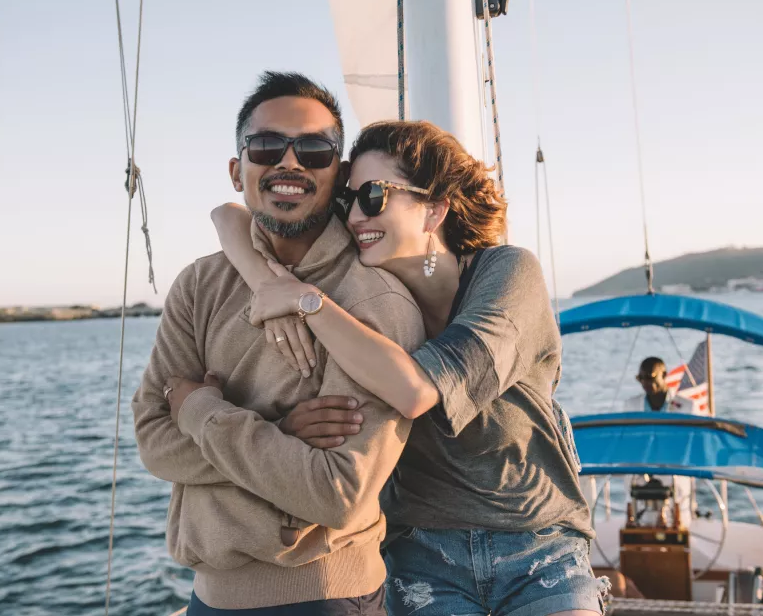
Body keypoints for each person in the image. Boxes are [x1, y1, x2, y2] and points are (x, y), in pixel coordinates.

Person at [211, 120, 602, 616]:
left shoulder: (507, 273)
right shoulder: (376, 301)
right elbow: (228, 215)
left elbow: (417, 389)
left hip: (537, 544)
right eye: (346, 201)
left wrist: (305, 300)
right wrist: (262, 279)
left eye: (373, 196)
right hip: (422, 552)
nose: (353, 217)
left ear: (434, 209)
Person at [132, 71, 426, 615]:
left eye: (314, 150)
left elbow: (334, 494)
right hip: (207, 599)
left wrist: (197, 407)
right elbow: (153, 439)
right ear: (236, 169)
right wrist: (280, 431)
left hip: (327, 597)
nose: (289, 162)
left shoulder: (372, 303)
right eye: (267, 145)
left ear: (338, 175)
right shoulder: (199, 285)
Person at [623, 357, 697, 413]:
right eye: (640, 378)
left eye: (650, 377)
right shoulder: (630, 405)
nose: (644, 382)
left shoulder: (687, 406)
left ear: (664, 375)